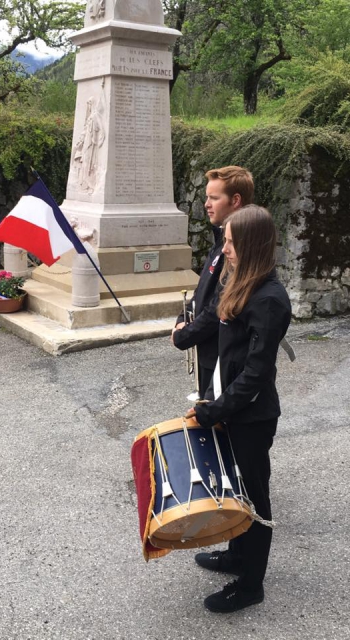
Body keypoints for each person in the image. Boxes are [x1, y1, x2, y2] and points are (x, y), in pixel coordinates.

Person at [185, 205, 292, 613]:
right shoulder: (239, 281)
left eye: (229, 241)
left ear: (250, 245)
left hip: (252, 415)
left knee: (254, 497)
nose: (223, 247)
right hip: (230, 409)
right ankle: (235, 555)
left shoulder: (269, 299)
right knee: (233, 488)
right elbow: (215, 323)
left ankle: (251, 584)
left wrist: (217, 411)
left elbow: (256, 374)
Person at [172, 166, 254, 397]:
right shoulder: (220, 241)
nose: (206, 204)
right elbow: (201, 293)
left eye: (214, 198)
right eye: (206, 197)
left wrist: (184, 335)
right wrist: (182, 318)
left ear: (235, 200)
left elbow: (218, 306)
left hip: (222, 358)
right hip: (207, 353)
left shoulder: (239, 249)